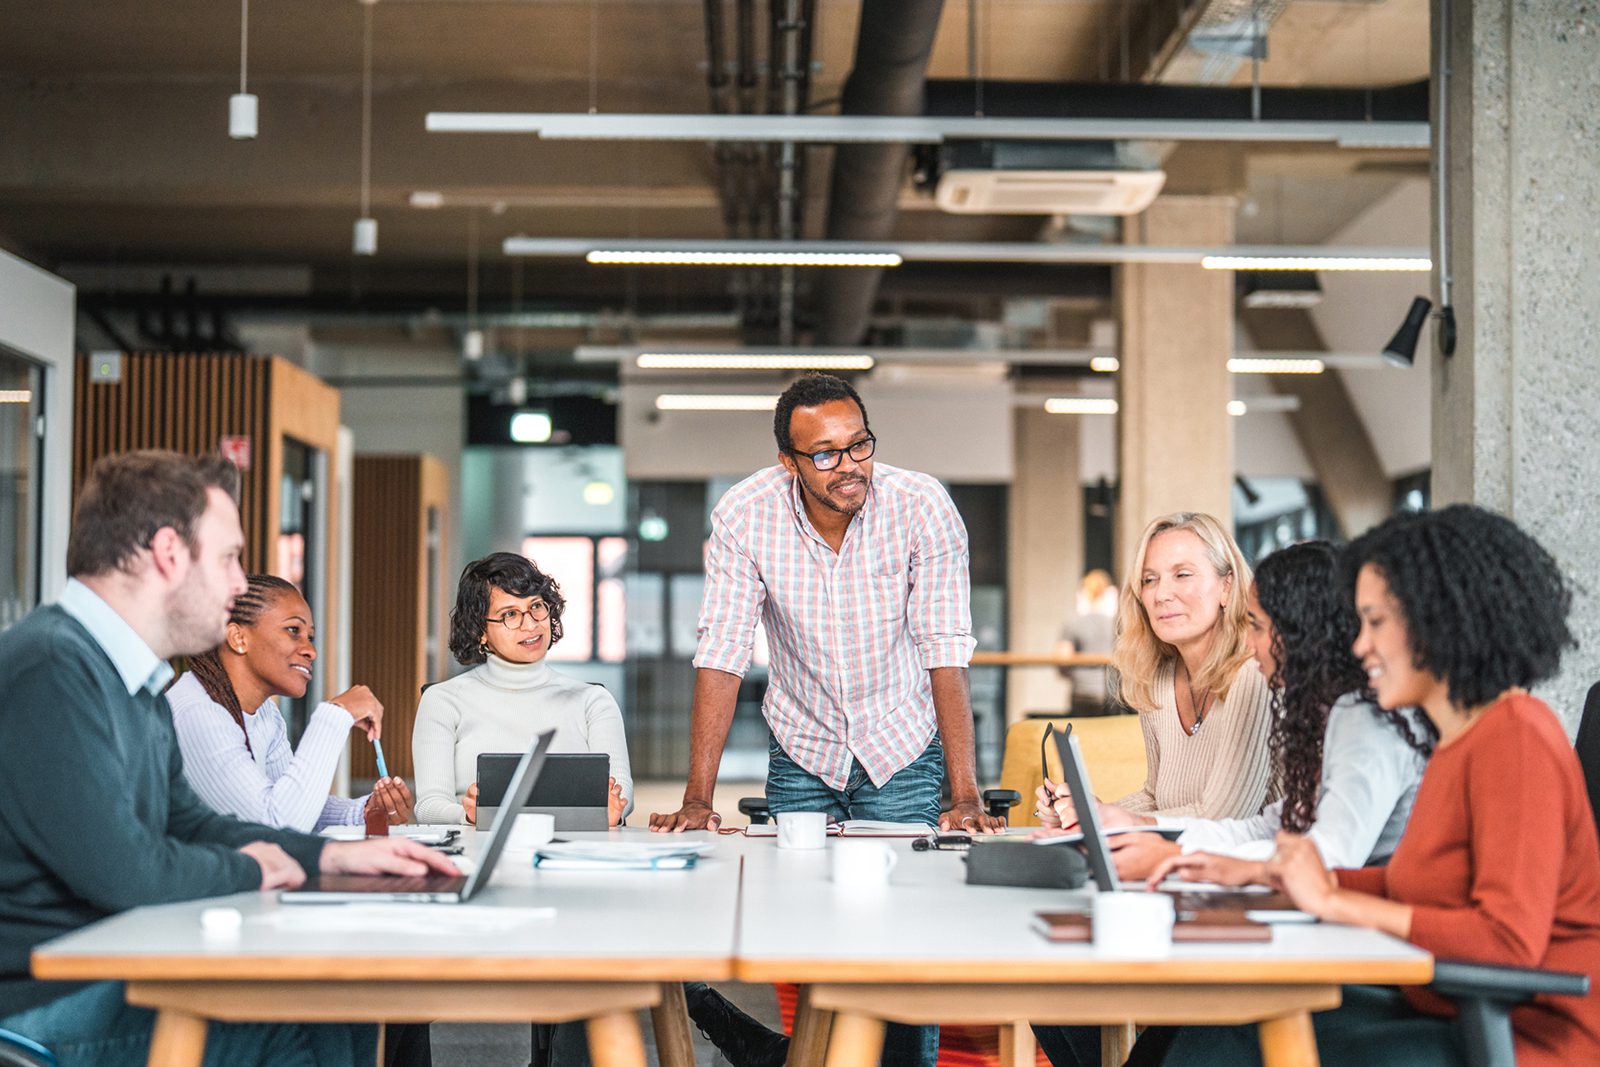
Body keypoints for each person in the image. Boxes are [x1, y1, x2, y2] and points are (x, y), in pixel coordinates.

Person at [0, 450, 458, 1067]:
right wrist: (258, 869)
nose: (240, 584)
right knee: (302, 1023)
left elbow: (191, 823)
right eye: (228, 558)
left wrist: (332, 854)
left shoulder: (132, 680)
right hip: (40, 998)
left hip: (108, 958)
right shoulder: (54, 667)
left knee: (346, 1000)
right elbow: (128, 872)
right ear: (168, 552)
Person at [1159, 505, 1600, 1067]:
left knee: (1236, 1035)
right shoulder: (1455, 738)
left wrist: (1333, 902)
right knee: (1227, 1022)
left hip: (1524, 1035)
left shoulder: (1515, 735)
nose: (1359, 645)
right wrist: (1272, 875)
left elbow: (1507, 943)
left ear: (1440, 620)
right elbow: (1408, 886)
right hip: (1449, 1008)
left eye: (1376, 623)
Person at [650, 372, 997, 1067]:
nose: (850, 465)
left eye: (859, 443)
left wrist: (965, 792)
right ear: (790, 462)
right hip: (803, 745)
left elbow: (945, 649)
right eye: (826, 453)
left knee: (900, 940)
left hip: (901, 743)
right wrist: (696, 797)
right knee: (807, 932)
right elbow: (721, 653)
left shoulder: (921, 505)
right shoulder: (747, 514)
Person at [1030, 540, 1433, 1067]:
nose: (1251, 643)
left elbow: (1331, 857)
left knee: (1175, 1037)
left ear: (1301, 633)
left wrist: (1181, 858)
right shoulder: (1330, 711)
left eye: (1258, 626)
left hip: (1359, 956)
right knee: (1112, 1023)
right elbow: (1272, 825)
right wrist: (1155, 839)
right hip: (1317, 932)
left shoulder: (1367, 722)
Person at [1036, 512, 1275, 879]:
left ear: (1227, 586)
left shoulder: (1254, 673)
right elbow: (1155, 795)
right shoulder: (1159, 679)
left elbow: (1228, 818)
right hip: (1188, 872)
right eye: (1150, 580)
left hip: (1254, 875)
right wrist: (1090, 813)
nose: (1162, 594)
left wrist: (1127, 821)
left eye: (1182, 574)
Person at [169, 574, 414, 834]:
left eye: (310, 637)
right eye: (293, 630)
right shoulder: (199, 714)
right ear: (239, 638)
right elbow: (277, 825)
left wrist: (366, 812)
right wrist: (335, 715)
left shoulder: (265, 714)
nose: (311, 651)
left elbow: (294, 804)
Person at [412, 551, 631, 827]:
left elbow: (621, 794)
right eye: (510, 615)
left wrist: (613, 810)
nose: (530, 625)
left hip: (573, 851)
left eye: (537, 607)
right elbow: (429, 806)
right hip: (476, 850)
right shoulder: (442, 701)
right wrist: (467, 815)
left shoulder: (593, 701)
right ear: (480, 630)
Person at [1054, 569, 1117, 715]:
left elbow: (1062, 661)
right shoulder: (1118, 624)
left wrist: (1077, 674)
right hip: (1112, 693)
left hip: (1082, 692)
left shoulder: (1074, 623)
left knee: (1080, 734)